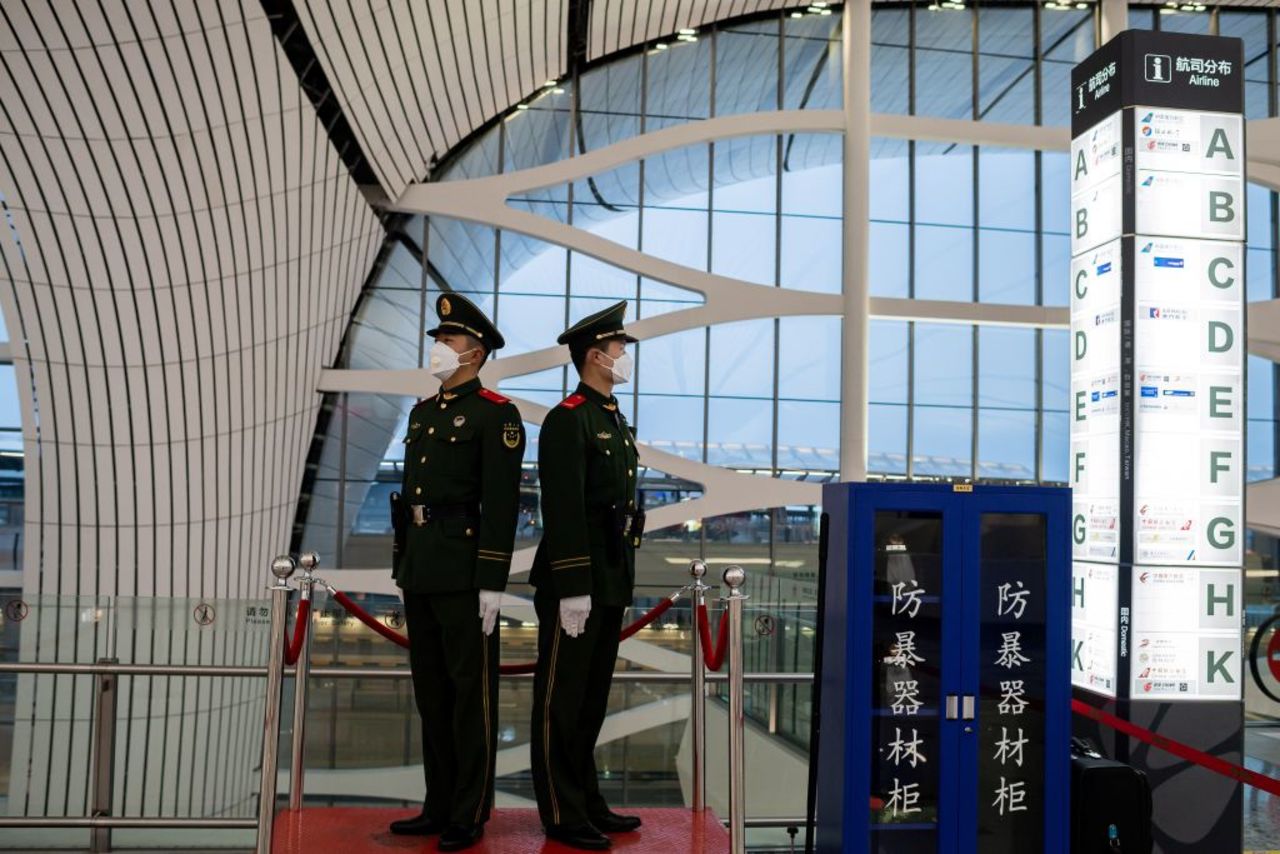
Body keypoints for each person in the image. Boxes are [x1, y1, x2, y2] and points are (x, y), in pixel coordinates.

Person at [388, 293, 525, 852]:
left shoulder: (497, 414)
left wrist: (493, 579)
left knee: (472, 696)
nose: (439, 348)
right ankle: (438, 803)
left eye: (448, 340)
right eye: (438, 339)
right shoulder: (424, 413)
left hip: (466, 571)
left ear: (476, 352)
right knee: (432, 694)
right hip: (422, 568)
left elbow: (502, 502)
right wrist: (405, 566)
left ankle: (468, 811)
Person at [530, 300, 646, 851]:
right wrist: (574, 585)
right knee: (562, 699)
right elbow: (564, 505)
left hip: (609, 576)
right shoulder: (568, 419)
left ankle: (587, 799)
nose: (625, 354)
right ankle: (560, 809)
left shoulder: (611, 418)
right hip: (573, 582)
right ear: (596, 354)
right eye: (619, 347)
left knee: (591, 698)